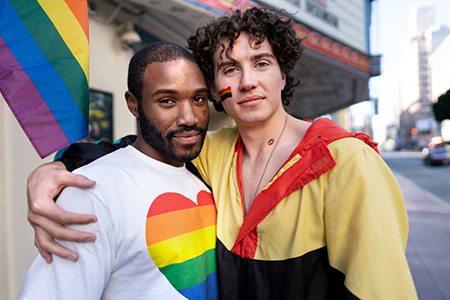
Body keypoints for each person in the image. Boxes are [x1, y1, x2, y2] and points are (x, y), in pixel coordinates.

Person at [26, 7, 418, 300]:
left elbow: (381, 289)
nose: (247, 82)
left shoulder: (347, 162)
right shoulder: (211, 152)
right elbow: (137, 152)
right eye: (229, 69)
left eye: (261, 63)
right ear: (215, 89)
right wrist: (54, 169)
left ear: (282, 75)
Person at [20, 42, 219, 300]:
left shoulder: (210, 173)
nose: (189, 117)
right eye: (167, 101)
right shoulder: (91, 192)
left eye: (198, 99)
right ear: (133, 104)